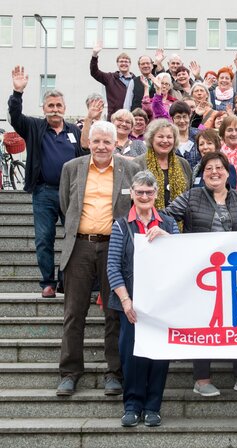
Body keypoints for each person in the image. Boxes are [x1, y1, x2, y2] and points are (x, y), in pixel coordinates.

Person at [165, 152, 237, 396]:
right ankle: (201, 379)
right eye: (208, 169)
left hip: (234, 274)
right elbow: (166, 216)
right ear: (202, 174)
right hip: (202, 273)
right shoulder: (192, 197)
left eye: (219, 167)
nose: (214, 172)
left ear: (228, 172)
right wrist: (172, 236)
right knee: (202, 323)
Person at [56, 121, 140, 396]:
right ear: (88, 143)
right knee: (73, 312)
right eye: (97, 141)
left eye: (107, 141)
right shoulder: (72, 168)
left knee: (114, 312)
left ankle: (113, 373)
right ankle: (69, 372)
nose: (102, 146)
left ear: (116, 143)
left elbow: (136, 208)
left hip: (114, 247)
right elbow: (65, 206)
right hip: (80, 245)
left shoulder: (130, 169)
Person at [107, 170, 179, 427]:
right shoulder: (121, 224)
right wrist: (126, 301)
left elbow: (182, 259)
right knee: (131, 356)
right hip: (132, 304)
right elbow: (113, 267)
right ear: (133, 194)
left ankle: (152, 407)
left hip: (161, 305)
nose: (145, 196)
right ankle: (132, 405)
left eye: (149, 192)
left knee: (159, 356)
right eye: (140, 192)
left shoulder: (169, 223)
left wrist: (168, 239)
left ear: (156, 194)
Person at [8, 65, 85, 299]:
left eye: (58, 105)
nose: (54, 110)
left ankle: (65, 280)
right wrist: (17, 93)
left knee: (74, 238)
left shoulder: (75, 130)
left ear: (65, 108)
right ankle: (48, 283)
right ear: (44, 109)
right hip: (44, 192)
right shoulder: (34, 126)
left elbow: (85, 155)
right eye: (50, 106)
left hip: (71, 193)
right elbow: (15, 117)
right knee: (44, 238)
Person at [135, 120, 192, 208]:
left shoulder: (183, 164)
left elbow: (189, 193)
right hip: (147, 218)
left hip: (179, 220)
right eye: (160, 136)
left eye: (169, 137)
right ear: (151, 139)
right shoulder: (137, 164)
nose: (165, 141)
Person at [90, 43, 134, 120]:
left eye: (126, 61)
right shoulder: (110, 78)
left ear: (130, 64)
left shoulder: (135, 80)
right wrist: (94, 55)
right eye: (121, 61)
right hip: (114, 117)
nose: (124, 63)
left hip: (131, 117)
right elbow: (94, 72)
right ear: (117, 64)